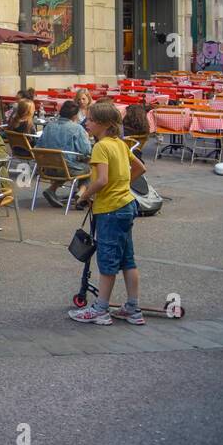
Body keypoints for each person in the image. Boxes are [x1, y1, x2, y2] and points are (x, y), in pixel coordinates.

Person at [69, 102, 145, 326]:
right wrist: (122, 185)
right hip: (126, 204)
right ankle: (133, 307)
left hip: (111, 208)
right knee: (127, 259)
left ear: (102, 124)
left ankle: (101, 309)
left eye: (90, 120)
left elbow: (100, 180)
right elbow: (140, 167)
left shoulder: (101, 147)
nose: (87, 123)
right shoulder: (120, 143)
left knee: (107, 261)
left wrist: (84, 196)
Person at [35, 100, 92, 204]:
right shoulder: (77, 128)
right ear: (75, 115)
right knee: (89, 166)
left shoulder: (49, 126)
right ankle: (81, 194)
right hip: (66, 169)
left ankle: (52, 189)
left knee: (64, 163)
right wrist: (87, 138)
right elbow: (86, 151)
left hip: (47, 168)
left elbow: (38, 146)